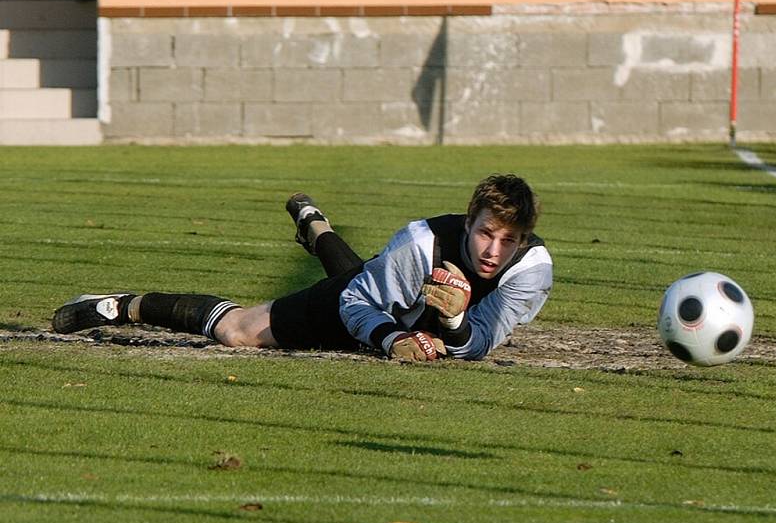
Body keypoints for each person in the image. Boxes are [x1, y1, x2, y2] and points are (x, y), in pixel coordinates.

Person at [52, 174, 553, 362]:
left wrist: (452, 322)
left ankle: (316, 228)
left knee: (357, 271)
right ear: (468, 222)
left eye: (508, 240)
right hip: (368, 309)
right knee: (240, 332)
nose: (493, 250)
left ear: (524, 238)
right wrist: (393, 340)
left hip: (393, 302)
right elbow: (357, 298)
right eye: (485, 233)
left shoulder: (531, 269)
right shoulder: (420, 245)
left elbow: (482, 342)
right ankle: (124, 306)